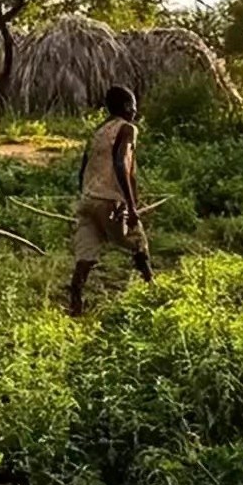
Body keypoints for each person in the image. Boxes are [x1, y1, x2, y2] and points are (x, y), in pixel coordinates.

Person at [68, 85, 154, 316]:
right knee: (137, 238)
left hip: (87, 200)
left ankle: (75, 301)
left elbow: (83, 169)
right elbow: (121, 164)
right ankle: (152, 288)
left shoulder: (99, 129)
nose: (135, 112)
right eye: (134, 107)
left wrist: (84, 196)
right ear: (127, 107)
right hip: (110, 202)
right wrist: (131, 207)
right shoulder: (128, 128)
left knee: (86, 253)